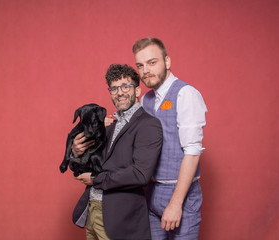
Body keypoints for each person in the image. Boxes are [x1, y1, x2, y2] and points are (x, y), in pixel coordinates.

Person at [72, 64, 163, 240]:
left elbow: (140, 174)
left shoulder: (148, 125)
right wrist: (76, 152)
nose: (119, 92)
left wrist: (95, 179)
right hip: (92, 211)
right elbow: (89, 166)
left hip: (119, 218)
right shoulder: (107, 126)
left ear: (137, 91)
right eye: (114, 88)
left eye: (125, 86)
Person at [132, 37, 208, 240]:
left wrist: (176, 203)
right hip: (151, 192)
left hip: (180, 192)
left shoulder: (185, 94)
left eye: (152, 62)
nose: (145, 70)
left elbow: (192, 153)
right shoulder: (146, 100)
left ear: (167, 62)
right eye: (140, 65)